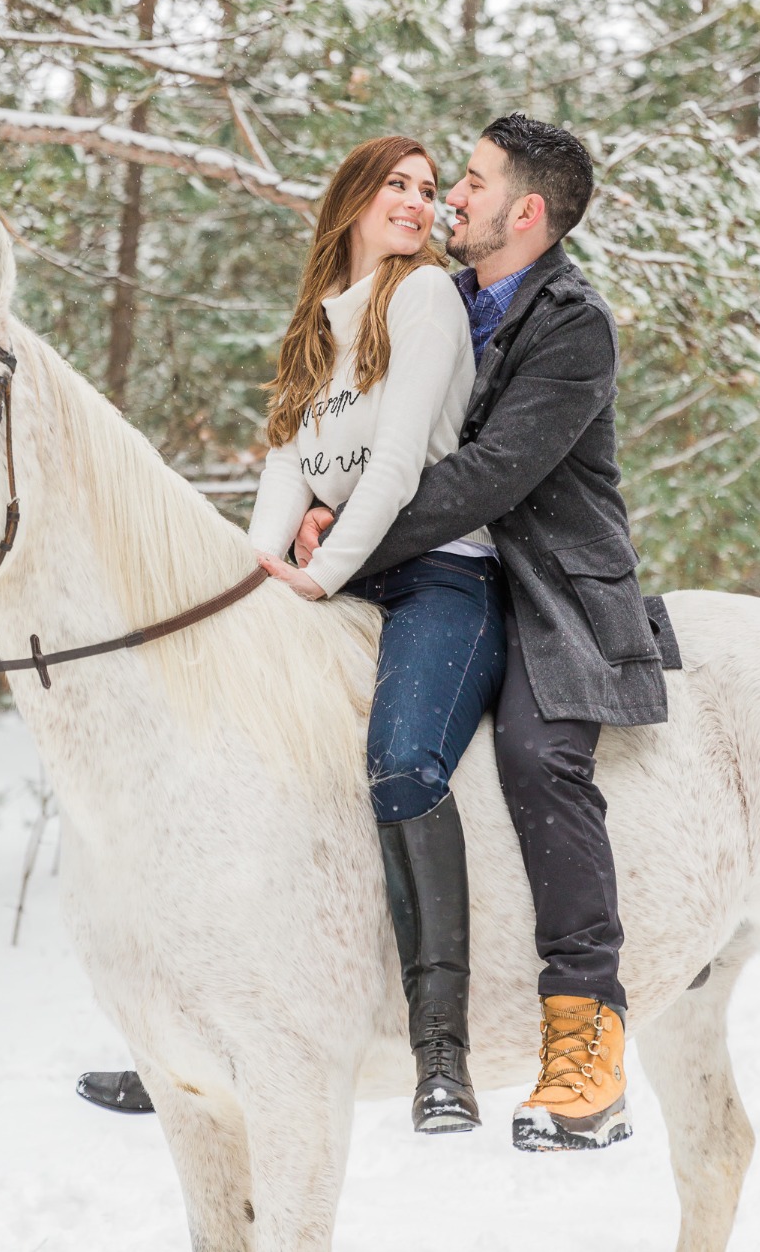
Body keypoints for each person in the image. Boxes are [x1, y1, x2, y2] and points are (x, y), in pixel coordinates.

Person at [79, 135, 508, 1134]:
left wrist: (314, 575)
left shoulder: (426, 299)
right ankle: (196, 1027)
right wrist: (245, 593)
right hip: (343, 577)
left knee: (403, 763)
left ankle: (439, 1049)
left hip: (444, 574)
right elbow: (286, 478)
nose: (415, 201)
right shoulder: (316, 326)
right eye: (395, 185)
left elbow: (396, 464)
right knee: (228, 758)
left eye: (427, 189)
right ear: (351, 198)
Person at [296, 113, 667, 1152]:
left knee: (541, 759)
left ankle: (585, 1048)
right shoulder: (438, 297)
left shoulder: (571, 323)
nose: (450, 197)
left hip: (544, 587)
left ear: (525, 211)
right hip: (427, 568)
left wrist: (346, 548)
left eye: (470, 181)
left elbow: (484, 475)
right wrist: (315, 509)